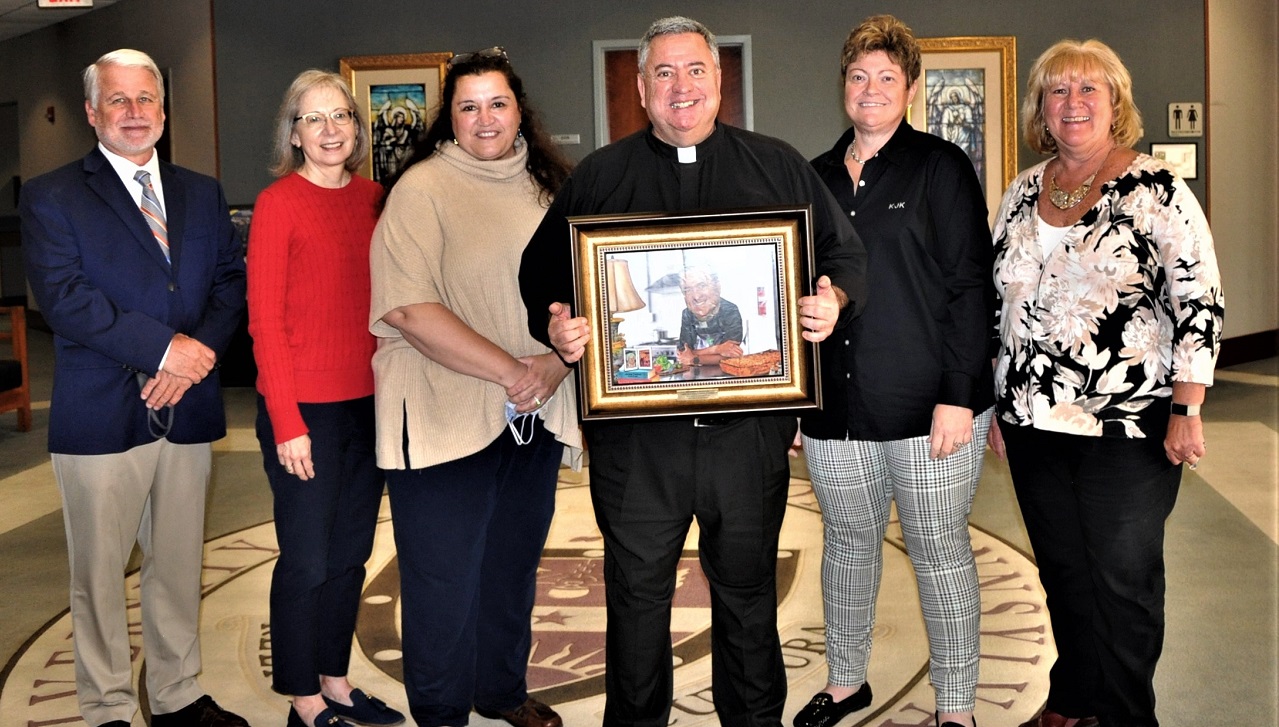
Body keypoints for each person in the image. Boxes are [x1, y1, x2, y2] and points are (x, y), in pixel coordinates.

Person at [519, 17, 868, 727]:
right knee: (637, 592)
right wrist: (557, 325)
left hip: (746, 434)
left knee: (746, 590)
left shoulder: (776, 164)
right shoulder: (599, 177)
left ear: (718, 81)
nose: (681, 88)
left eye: (695, 71)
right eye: (664, 74)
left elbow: (846, 255)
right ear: (642, 89)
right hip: (636, 442)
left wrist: (830, 300)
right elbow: (540, 276)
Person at [990, 39, 1223, 727]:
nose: (1072, 103)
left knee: (1121, 579)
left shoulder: (1156, 189)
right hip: (1033, 422)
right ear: (1039, 107)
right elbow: (995, 300)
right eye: (1057, 91)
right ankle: (1073, 696)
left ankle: (1124, 714)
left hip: (1128, 423)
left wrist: (1188, 404)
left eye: (1089, 89)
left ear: (1115, 103)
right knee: (1061, 572)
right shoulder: (1021, 190)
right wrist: (998, 402)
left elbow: (1198, 298)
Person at [19, 49, 248, 727]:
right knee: (97, 577)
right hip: (100, 411)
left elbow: (227, 283)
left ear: (164, 109)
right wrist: (163, 349)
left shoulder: (200, 192)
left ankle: (176, 692)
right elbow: (65, 299)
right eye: (118, 100)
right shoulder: (53, 195)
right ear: (92, 113)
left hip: (189, 403)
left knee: (177, 565)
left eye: (146, 99)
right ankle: (108, 706)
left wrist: (196, 353)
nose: (134, 113)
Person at [368, 47, 581, 727]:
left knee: (513, 564)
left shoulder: (554, 189)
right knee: (441, 578)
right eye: (467, 106)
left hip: (534, 413)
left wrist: (551, 368)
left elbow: (588, 294)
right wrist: (513, 370)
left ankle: (499, 687)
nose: (484, 118)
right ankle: (440, 710)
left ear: (520, 111)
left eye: (497, 103)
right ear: (447, 119)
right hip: (443, 411)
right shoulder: (421, 190)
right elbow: (407, 310)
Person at [794, 15, 996, 727]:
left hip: (929, 406)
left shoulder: (939, 168)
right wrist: (792, 394)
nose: (870, 89)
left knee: (939, 549)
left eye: (886, 77)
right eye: (858, 76)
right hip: (834, 408)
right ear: (842, 86)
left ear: (909, 87)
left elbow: (971, 288)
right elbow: (792, 289)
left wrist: (958, 397)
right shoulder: (812, 176)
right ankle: (846, 681)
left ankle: (956, 706)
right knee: (847, 544)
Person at [247, 70, 404, 727]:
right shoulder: (278, 203)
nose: (331, 129)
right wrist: (286, 420)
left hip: (368, 405)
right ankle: (302, 698)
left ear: (357, 128)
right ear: (294, 133)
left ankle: (336, 682)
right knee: (307, 557)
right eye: (315, 119)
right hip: (302, 410)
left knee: (350, 557)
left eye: (341, 116)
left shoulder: (378, 200)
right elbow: (264, 322)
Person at [676, 266, 743, 367]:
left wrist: (694, 358)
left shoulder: (729, 310)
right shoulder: (687, 314)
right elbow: (684, 353)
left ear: (717, 287)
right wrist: (718, 349)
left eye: (702, 286)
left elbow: (731, 355)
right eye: (688, 290)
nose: (696, 296)